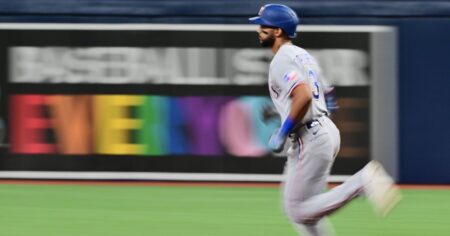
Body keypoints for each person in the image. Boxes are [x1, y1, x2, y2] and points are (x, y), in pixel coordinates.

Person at [249, 4, 401, 236]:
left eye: (263, 25)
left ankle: (363, 181)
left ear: (278, 31)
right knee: (307, 213)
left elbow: (304, 95)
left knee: (298, 211)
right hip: (323, 131)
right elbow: (328, 94)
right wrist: (286, 111)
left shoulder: (282, 59)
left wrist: (284, 130)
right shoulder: (303, 55)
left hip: (309, 137)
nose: (258, 29)